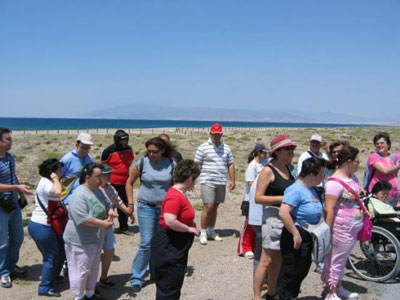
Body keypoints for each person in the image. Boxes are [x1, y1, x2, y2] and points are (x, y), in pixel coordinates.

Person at [125, 137, 176, 293]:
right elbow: (129, 182)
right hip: (145, 207)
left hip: (164, 208)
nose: (151, 154)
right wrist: (131, 203)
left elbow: (175, 187)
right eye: (149, 151)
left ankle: (156, 272)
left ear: (162, 151)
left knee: (159, 242)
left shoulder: (172, 164)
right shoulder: (142, 163)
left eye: (155, 152)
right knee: (146, 242)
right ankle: (137, 277)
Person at [322, 146, 370, 300]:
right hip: (340, 229)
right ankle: (331, 292)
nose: (358, 164)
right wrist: (327, 231)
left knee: (341, 260)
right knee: (336, 260)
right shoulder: (334, 183)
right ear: (349, 161)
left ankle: (338, 287)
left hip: (351, 229)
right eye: (357, 161)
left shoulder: (352, 177)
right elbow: (328, 208)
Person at [63, 163, 116, 300]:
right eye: (98, 176)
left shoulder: (97, 190)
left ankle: (90, 294)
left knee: (92, 268)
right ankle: (78, 296)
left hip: (95, 239)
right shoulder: (79, 194)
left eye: (102, 177)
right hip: (80, 241)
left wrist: (110, 211)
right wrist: (103, 224)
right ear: (88, 177)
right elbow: (82, 218)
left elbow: (108, 203)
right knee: (80, 271)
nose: (101, 180)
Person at [253, 135, 296, 300]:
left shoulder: (289, 168)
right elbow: (258, 198)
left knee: (277, 259)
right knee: (266, 260)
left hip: (286, 219)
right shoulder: (268, 171)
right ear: (277, 152)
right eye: (287, 149)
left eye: (292, 148)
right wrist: (283, 198)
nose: (291, 152)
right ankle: (256, 296)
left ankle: (272, 292)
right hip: (273, 219)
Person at [151, 159, 200, 300]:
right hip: (169, 246)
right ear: (190, 179)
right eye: (195, 180)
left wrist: (190, 223)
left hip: (174, 245)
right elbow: (170, 220)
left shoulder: (178, 193)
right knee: (168, 287)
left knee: (172, 285)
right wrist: (189, 230)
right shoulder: (174, 196)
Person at [278, 157, 327, 300]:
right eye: (320, 174)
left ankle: (292, 295)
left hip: (308, 235)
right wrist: (295, 234)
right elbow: (283, 212)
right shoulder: (295, 189)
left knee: (301, 271)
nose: (322, 177)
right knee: (291, 273)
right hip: (296, 236)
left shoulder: (312, 189)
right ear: (311, 174)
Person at [0, 127, 33, 288]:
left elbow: (13, 177)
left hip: (13, 204)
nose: (11, 141)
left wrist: (20, 194)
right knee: (2, 242)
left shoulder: (9, 157)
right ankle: (3, 272)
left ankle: (11, 265)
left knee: (18, 237)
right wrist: (16, 188)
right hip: (1, 206)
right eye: (8, 139)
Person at [28, 159, 65, 297]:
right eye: (59, 170)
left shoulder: (47, 182)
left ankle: (53, 276)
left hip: (50, 225)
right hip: (42, 226)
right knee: (51, 256)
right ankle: (45, 287)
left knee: (61, 250)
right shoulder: (46, 183)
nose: (62, 171)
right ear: (53, 173)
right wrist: (55, 179)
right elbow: (56, 192)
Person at [194, 123, 236, 245]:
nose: (216, 136)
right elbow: (196, 164)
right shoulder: (203, 147)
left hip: (221, 180)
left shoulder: (227, 148)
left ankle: (211, 230)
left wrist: (232, 180)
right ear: (210, 133)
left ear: (221, 134)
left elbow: (231, 164)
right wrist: (192, 180)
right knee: (208, 206)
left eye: (219, 134)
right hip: (207, 180)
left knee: (215, 207)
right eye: (214, 134)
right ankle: (203, 232)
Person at [96, 163, 135, 287]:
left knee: (110, 250)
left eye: (110, 173)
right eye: (106, 174)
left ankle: (103, 277)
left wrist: (128, 212)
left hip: (107, 225)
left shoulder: (109, 187)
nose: (109, 176)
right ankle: (89, 284)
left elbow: (117, 200)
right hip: (94, 226)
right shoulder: (92, 189)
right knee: (93, 255)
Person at [238, 144, 270, 260]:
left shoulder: (265, 163)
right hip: (250, 199)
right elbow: (251, 184)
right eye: (264, 152)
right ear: (258, 153)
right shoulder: (252, 166)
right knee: (249, 224)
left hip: (260, 198)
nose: (266, 155)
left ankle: (255, 246)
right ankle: (245, 247)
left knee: (258, 224)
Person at [101, 129, 134, 235]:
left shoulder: (129, 150)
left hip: (125, 182)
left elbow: (129, 163)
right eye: (122, 140)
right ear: (117, 140)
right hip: (111, 183)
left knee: (123, 204)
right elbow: (103, 166)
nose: (124, 142)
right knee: (109, 205)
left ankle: (123, 227)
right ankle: (104, 226)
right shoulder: (108, 151)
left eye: (125, 140)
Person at [365, 132, 400, 207]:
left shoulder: (394, 156)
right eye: (377, 143)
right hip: (378, 195)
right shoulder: (373, 157)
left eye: (382, 143)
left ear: (388, 145)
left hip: (393, 195)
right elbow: (385, 171)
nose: (379, 145)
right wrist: (397, 166)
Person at [60, 132, 94, 205]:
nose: (85, 150)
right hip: (68, 199)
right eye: (82, 147)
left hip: (85, 197)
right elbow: (57, 176)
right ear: (77, 145)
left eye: (87, 148)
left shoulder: (89, 159)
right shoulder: (67, 159)